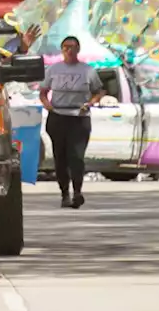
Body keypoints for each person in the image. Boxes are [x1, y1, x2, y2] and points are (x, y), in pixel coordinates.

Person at [38, 35, 106, 209]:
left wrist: (90, 103)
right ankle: (64, 194)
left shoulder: (87, 70)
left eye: (72, 47)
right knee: (60, 158)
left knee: (76, 157)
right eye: (65, 47)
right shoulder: (53, 70)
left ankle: (77, 192)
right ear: (62, 50)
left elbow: (98, 91)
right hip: (58, 117)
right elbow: (43, 92)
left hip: (79, 118)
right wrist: (48, 105)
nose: (69, 50)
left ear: (78, 49)